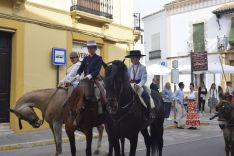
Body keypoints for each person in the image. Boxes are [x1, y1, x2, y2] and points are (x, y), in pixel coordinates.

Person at [75, 40, 107, 108]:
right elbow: (80, 68)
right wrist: (78, 74)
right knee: (75, 90)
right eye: (88, 48)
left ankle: (101, 109)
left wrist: (89, 76)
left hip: (94, 80)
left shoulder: (99, 58)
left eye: (91, 48)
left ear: (95, 48)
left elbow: (97, 70)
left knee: (99, 93)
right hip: (84, 80)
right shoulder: (85, 58)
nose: (90, 49)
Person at [125, 50, 155, 119]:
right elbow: (127, 77)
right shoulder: (129, 68)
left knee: (145, 94)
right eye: (132, 58)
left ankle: (149, 111)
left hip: (139, 84)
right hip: (131, 84)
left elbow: (144, 78)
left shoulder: (143, 67)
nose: (133, 60)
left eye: (134, 58)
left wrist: (139, 85)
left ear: (138, 58)